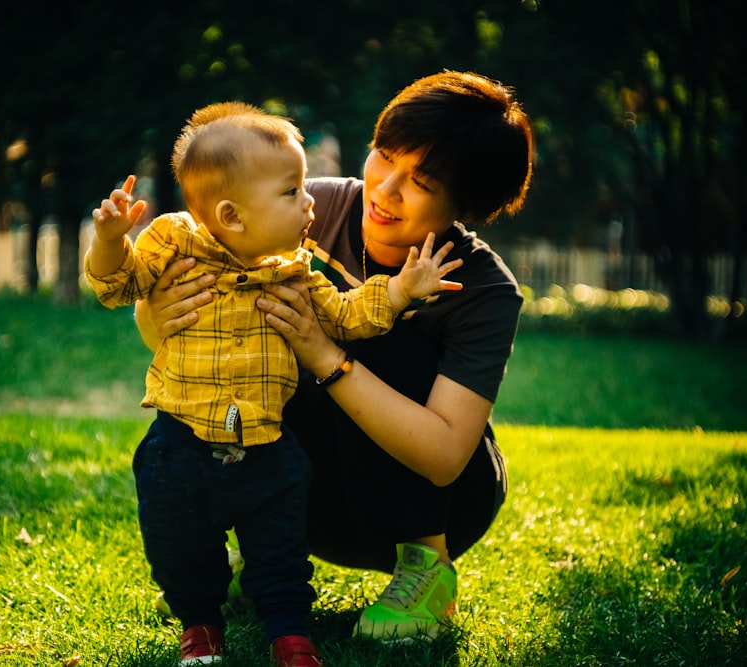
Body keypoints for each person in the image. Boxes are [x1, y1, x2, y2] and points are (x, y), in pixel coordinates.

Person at [136, 71, 535, 644]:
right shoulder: (302, 207)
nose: (385, 189)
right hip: (302, 492)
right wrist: (161, 310)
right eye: (383, 156)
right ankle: (251, 550)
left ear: (464, 205)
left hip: (432, 504)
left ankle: (426, 570)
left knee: (382, 334)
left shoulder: (484, 290)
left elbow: (446, 455)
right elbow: (178, 327)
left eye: (419, 180)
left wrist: (324, 353)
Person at [84, 102, 463, 666]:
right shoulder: (172, 243)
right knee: (179, 544)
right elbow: (117, 285)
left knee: (281, 550)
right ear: (233, 215)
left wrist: (402, 290)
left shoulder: (295, 268)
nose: (309, 201)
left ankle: (291, 634)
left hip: (267, 448)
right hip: (179, 443)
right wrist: (112, 240)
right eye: (292, 192)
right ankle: (200, 627)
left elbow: (346, 316)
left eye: (304, 186)